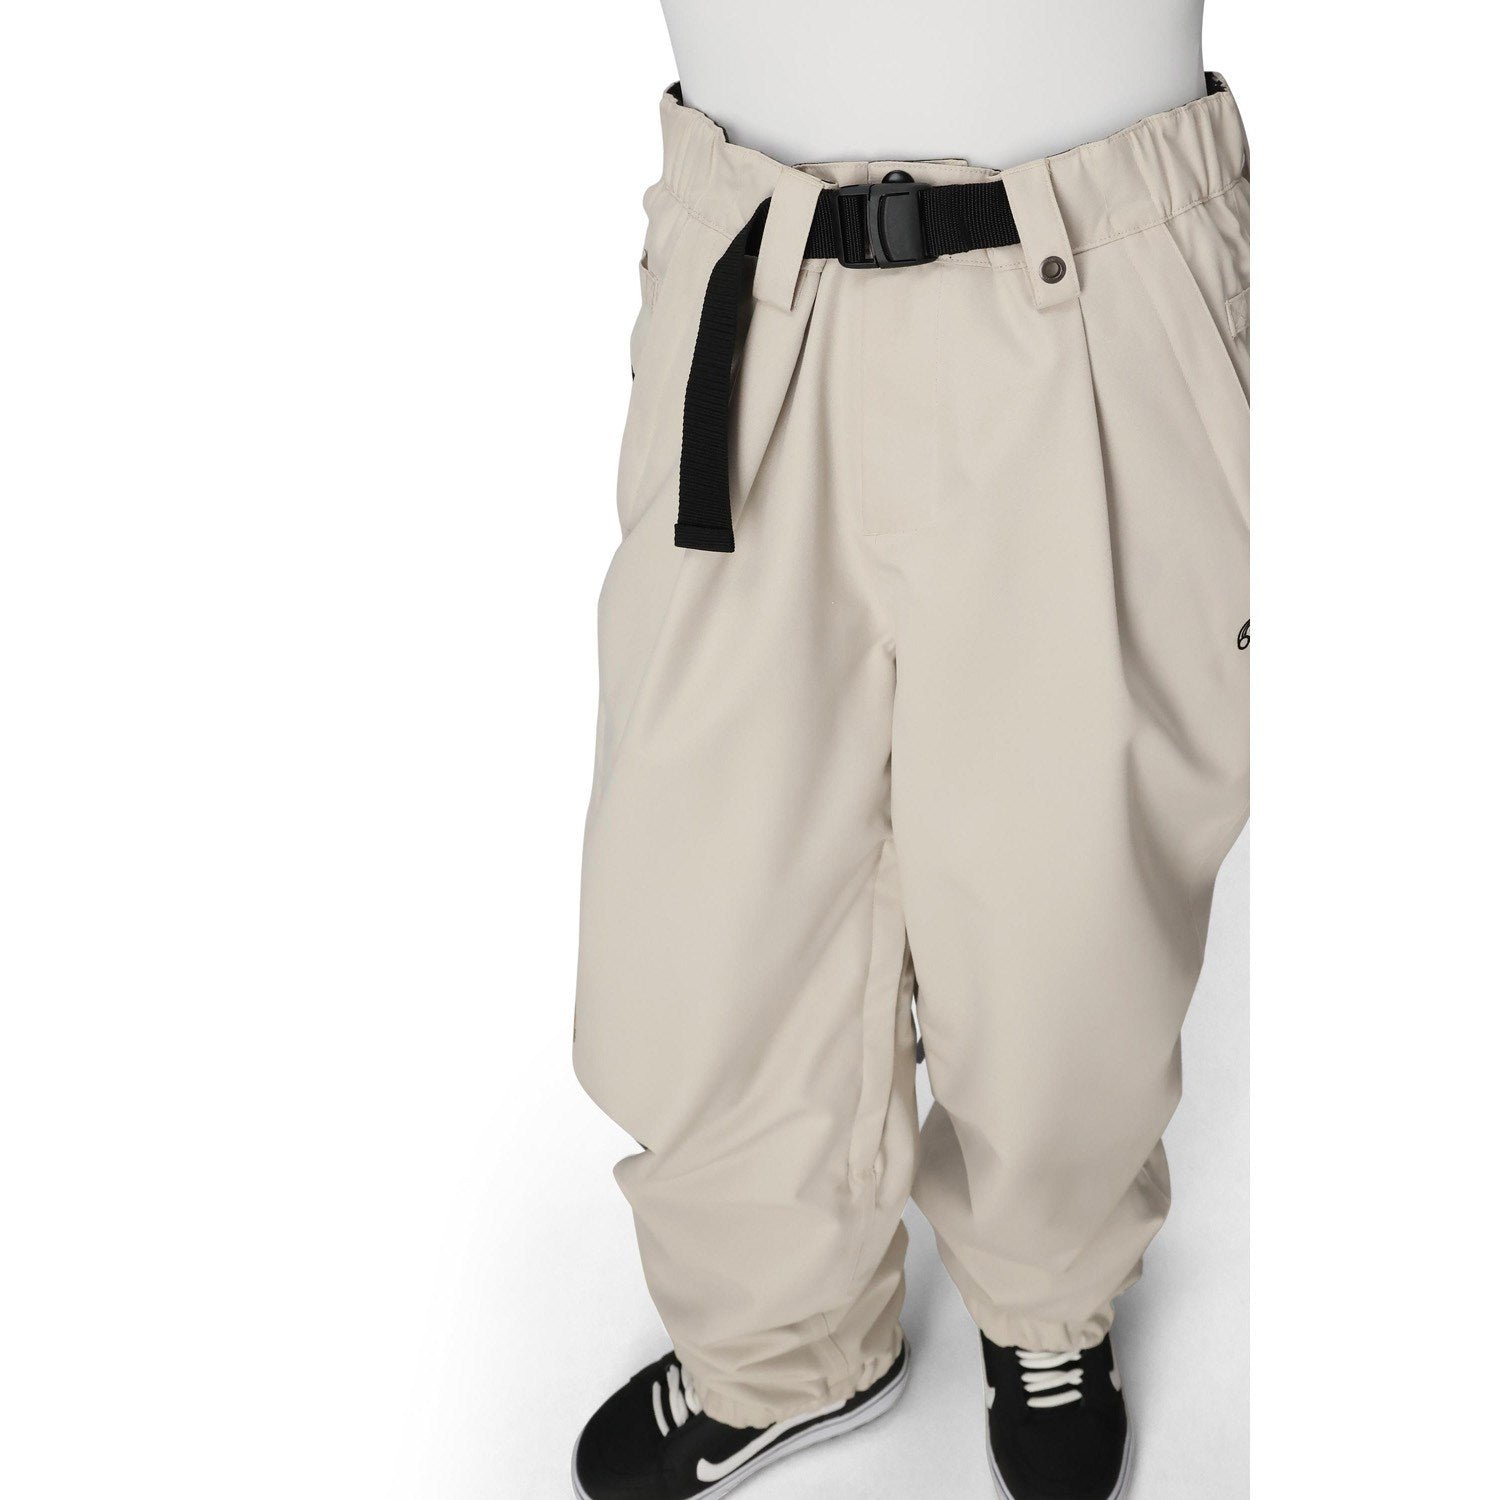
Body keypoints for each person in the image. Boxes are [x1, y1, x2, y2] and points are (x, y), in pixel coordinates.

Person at [571, 5, 1248, 1496]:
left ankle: (1049, 1300)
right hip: (753, 275)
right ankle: (778, 1348)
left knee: (1065, 890)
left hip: (1100, 276)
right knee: (701, 902)